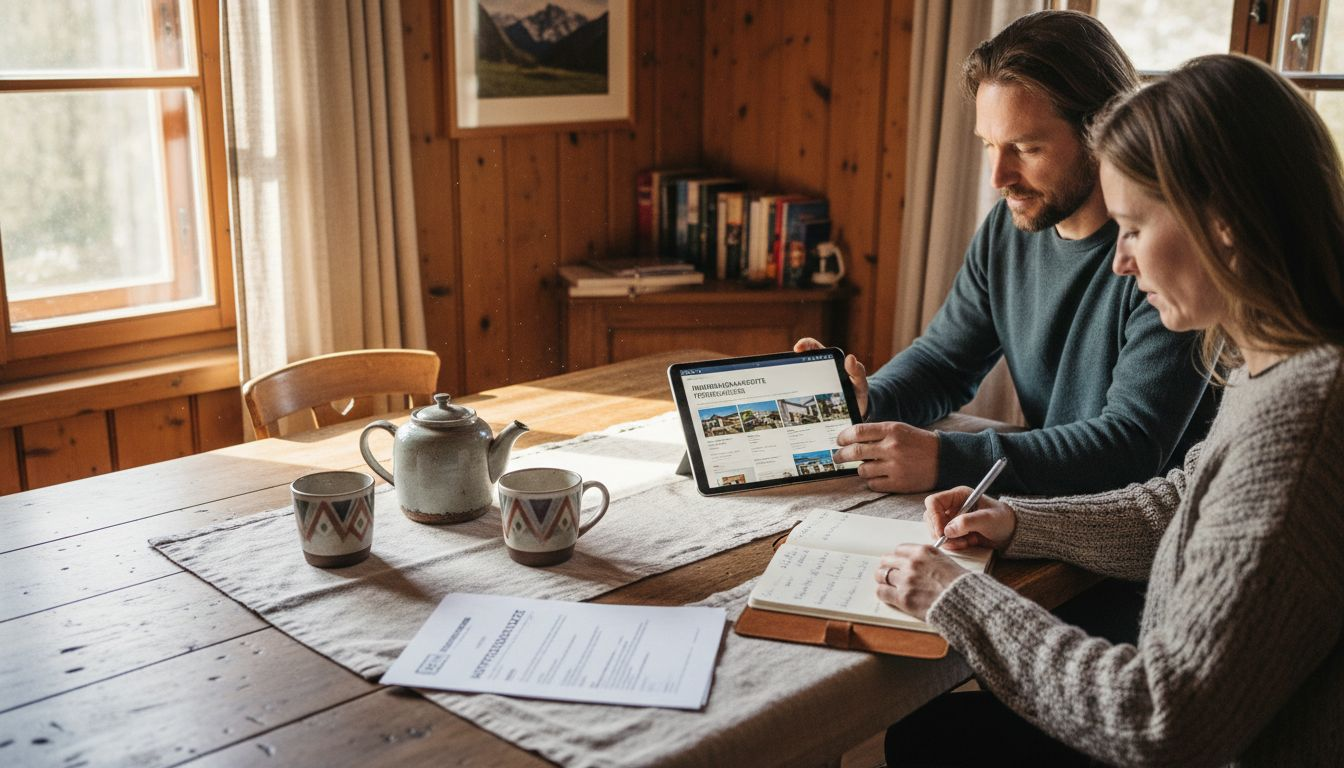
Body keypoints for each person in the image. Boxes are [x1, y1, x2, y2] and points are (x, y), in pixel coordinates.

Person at [877, 54, 1344, 766]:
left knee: (929, 741)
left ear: (1223, 226)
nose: (1120, 261)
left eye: (1133, 228)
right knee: (930, 737)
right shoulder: (1280, 363)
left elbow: (1162, 719)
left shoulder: (1304, 426)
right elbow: (1184, 502)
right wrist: (1021, 521)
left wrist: (958, 598)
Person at [796, 10, 1216, 495]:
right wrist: (869, 400)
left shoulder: (1166, 253)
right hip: (1054, 508)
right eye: (989, 145)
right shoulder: (1009, 226)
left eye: (1026, 148)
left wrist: (946, 458)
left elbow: (1130, 446)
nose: (999, 177)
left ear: (1102, 131)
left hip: (1148, 523)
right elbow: (944, 363)